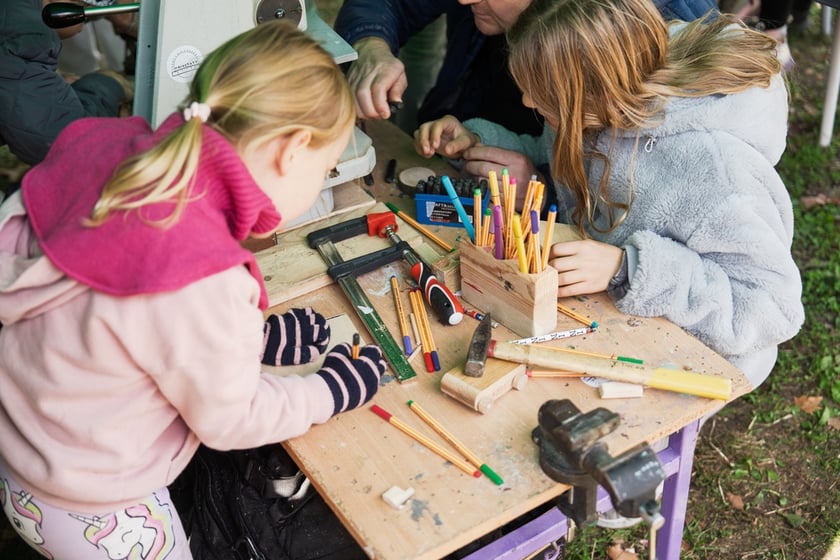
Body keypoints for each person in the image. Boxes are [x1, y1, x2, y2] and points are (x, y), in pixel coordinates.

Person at [0, 19, 385, 560]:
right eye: (326, 168)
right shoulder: (201, 272)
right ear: (292, 151)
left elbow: (121, 323)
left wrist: (251, 338)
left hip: (26, 452)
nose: (322, 179)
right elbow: (232, 419)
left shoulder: (113, 152)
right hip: (101, 508)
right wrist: (328, 391)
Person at [413, 0, 805, 391]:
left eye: (542, 93)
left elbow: (772, 308)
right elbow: (559, 151)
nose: (527, 102)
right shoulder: (592, 107)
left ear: (594, 88)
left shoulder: (713, 170)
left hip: (693, 360)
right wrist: (480, 140)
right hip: (609, 318)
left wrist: (628, 269)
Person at [334, 0, 720, 135]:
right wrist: (370, 44)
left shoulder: (663, 27)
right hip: (467, 151)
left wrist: (541, 179)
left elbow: (649, 176)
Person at [0, 0, 134, 167]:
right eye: (85, 11)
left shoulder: (15, 12)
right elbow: (60, 140)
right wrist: (110, 85)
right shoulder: (22, 37)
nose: (82, 27)